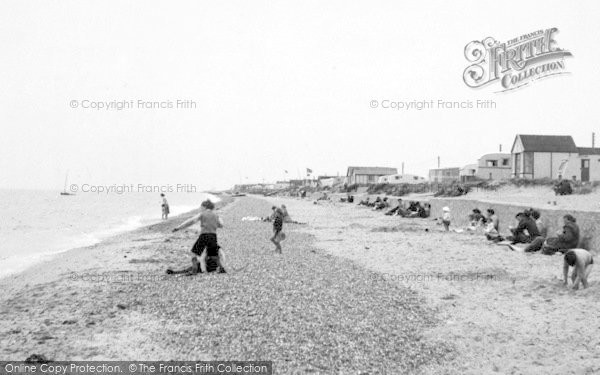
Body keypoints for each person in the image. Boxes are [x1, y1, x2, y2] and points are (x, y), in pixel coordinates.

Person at [172, 200, 226, 273]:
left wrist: (178, 227)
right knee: (213, 254)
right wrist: (213, 224)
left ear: (204, 206)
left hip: (204, 235)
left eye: (201, 207)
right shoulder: (216, 215)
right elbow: (221, 225)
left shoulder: (202, 214)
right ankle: (221, 269)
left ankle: (194, 270)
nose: (200, 208)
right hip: (213, 236)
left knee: (194, 253)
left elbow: (191, 221)